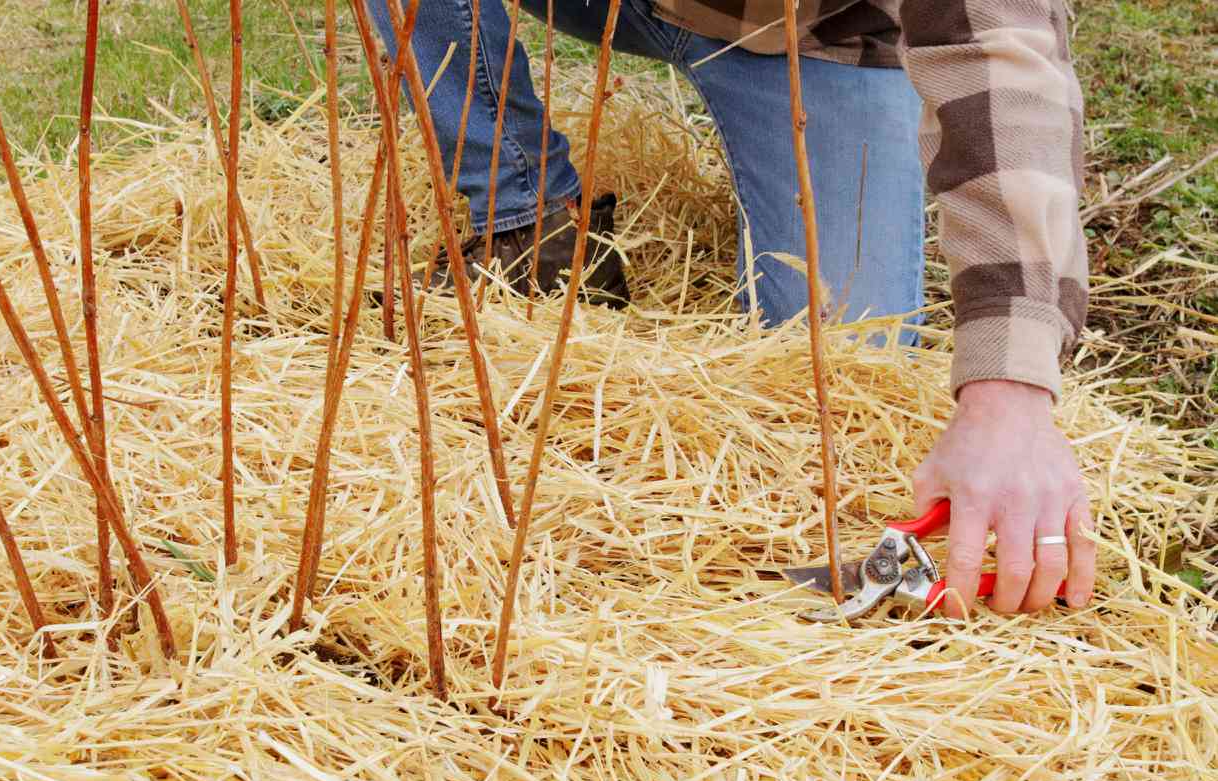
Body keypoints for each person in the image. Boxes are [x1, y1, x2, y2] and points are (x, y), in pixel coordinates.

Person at [367, 0, 1096, 618]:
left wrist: (1011, 390)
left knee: (842, 375)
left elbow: (1004, 43)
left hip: (817, 36)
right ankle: (526, 207)